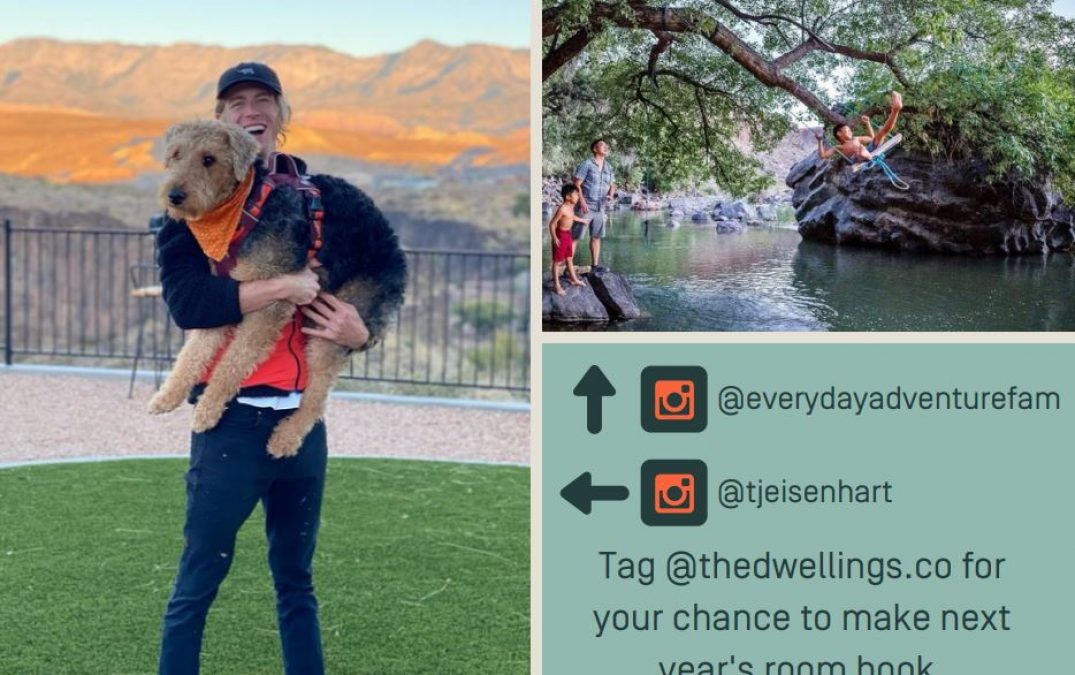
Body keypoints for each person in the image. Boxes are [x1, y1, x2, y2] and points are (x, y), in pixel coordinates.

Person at [156, 62, 368, 675]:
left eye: (264, 99)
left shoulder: (315, 198)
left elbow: (357, 283)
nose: (252, 109)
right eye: (236, 102)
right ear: (219, 124)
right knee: (196, 586)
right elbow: (189, 306)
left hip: (303, 428)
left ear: (280, 115)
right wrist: (281, 286)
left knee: (297, 585)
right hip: (231, 430)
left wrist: (360, 332)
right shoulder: (187, 217)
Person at [815, 90, 903, 162]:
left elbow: (872, 138)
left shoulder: (856, 138)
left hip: (869, 150)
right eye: (847, 130)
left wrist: (868, 123)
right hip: (858, 158)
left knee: (882, 132)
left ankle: (895, 110)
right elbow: (823, 156)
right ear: (839, 133)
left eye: (850, 130)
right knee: (859, 152)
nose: (850, 132)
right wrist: (819, 141)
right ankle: (865, 155)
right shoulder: (838, 148)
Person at [573, 138, 616, 269]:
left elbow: (612, 185)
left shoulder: (609, 166)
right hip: (585, 207)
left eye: (606, 146)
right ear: (595, 149)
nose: (606, 148)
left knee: (596, 237)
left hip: (600, 208)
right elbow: (576, 183)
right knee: (575, 237)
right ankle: (567, 267)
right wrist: (581, 201)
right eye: (602, 146)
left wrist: (610, 195)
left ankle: (595, 266)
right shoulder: (587, 164)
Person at [549, 184, 588, 295]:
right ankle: (557, 285)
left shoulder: (570, 208)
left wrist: (582, 220)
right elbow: (552, 224)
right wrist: (555, 238)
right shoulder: (562, 209)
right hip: (560, 236)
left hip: (568, 235)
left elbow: (571, 217)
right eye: (575, 195)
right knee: (557, 262)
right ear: (567, 197)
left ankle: (574, 279)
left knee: (569, 258)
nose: (577, 197)